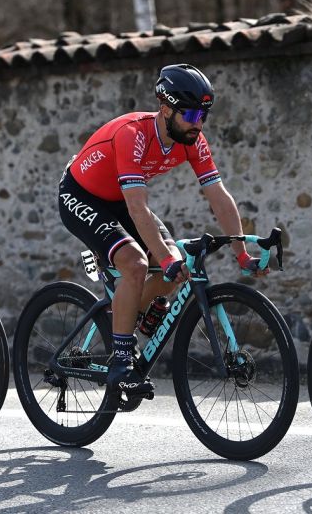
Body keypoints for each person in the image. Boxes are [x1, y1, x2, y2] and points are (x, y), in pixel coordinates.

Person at [58, 63, 267, 396]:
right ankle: (121, 359)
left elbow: (218, 195)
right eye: (191, 115)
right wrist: (164, 260)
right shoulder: (133, 135)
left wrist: (242, 253)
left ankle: (126, 317)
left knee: (175, 263)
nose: (198, 124)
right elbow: (137, 208)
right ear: (166, 108)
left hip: (120, 200)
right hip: (82, 195)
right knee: (137, 263)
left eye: (203, 115)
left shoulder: (192, 140)